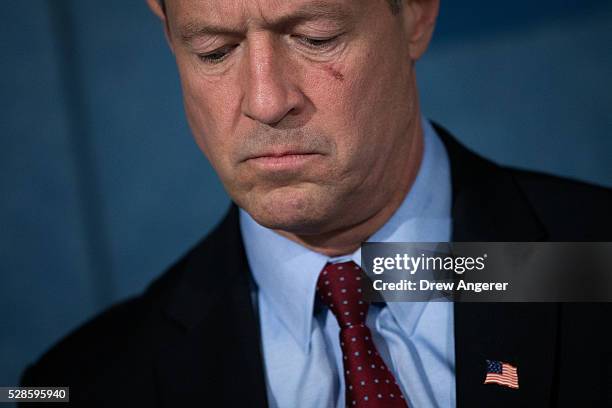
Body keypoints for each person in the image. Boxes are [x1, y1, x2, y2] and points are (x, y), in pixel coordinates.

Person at [20, 0, 612, 406]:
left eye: (315, 38)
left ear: (416, 13)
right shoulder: (83, 384)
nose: (266, 100)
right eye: (214, 50)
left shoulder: (595, 257)